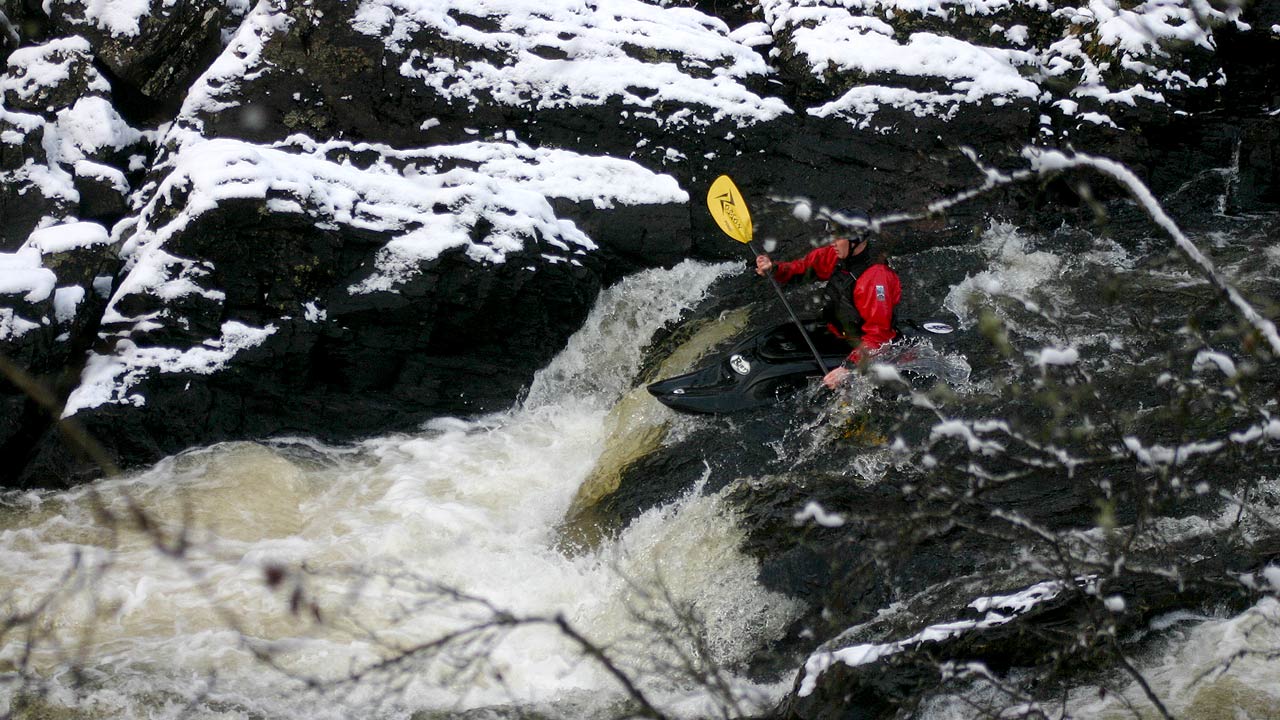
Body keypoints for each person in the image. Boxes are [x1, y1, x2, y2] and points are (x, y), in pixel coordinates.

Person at [754, 210, 901, 389]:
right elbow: (802, 268)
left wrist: (847, 368)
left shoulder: (876, 278)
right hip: (838, 333)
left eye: (838, 237)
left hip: (863, 348)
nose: (832, 242)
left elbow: (878, 337)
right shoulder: (836, 255)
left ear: (855, 240)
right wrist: (774, 269)